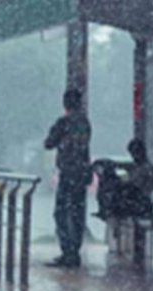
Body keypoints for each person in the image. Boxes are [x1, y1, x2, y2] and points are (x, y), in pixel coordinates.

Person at [44, 88, 92, 268]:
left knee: (62, 213)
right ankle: (75, 251)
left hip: (68, 174)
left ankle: (67, 252)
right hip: (82, 174)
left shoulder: (63, 122)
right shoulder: (85, 123)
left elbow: (49, 143)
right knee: (78, 213)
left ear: (65, 103)